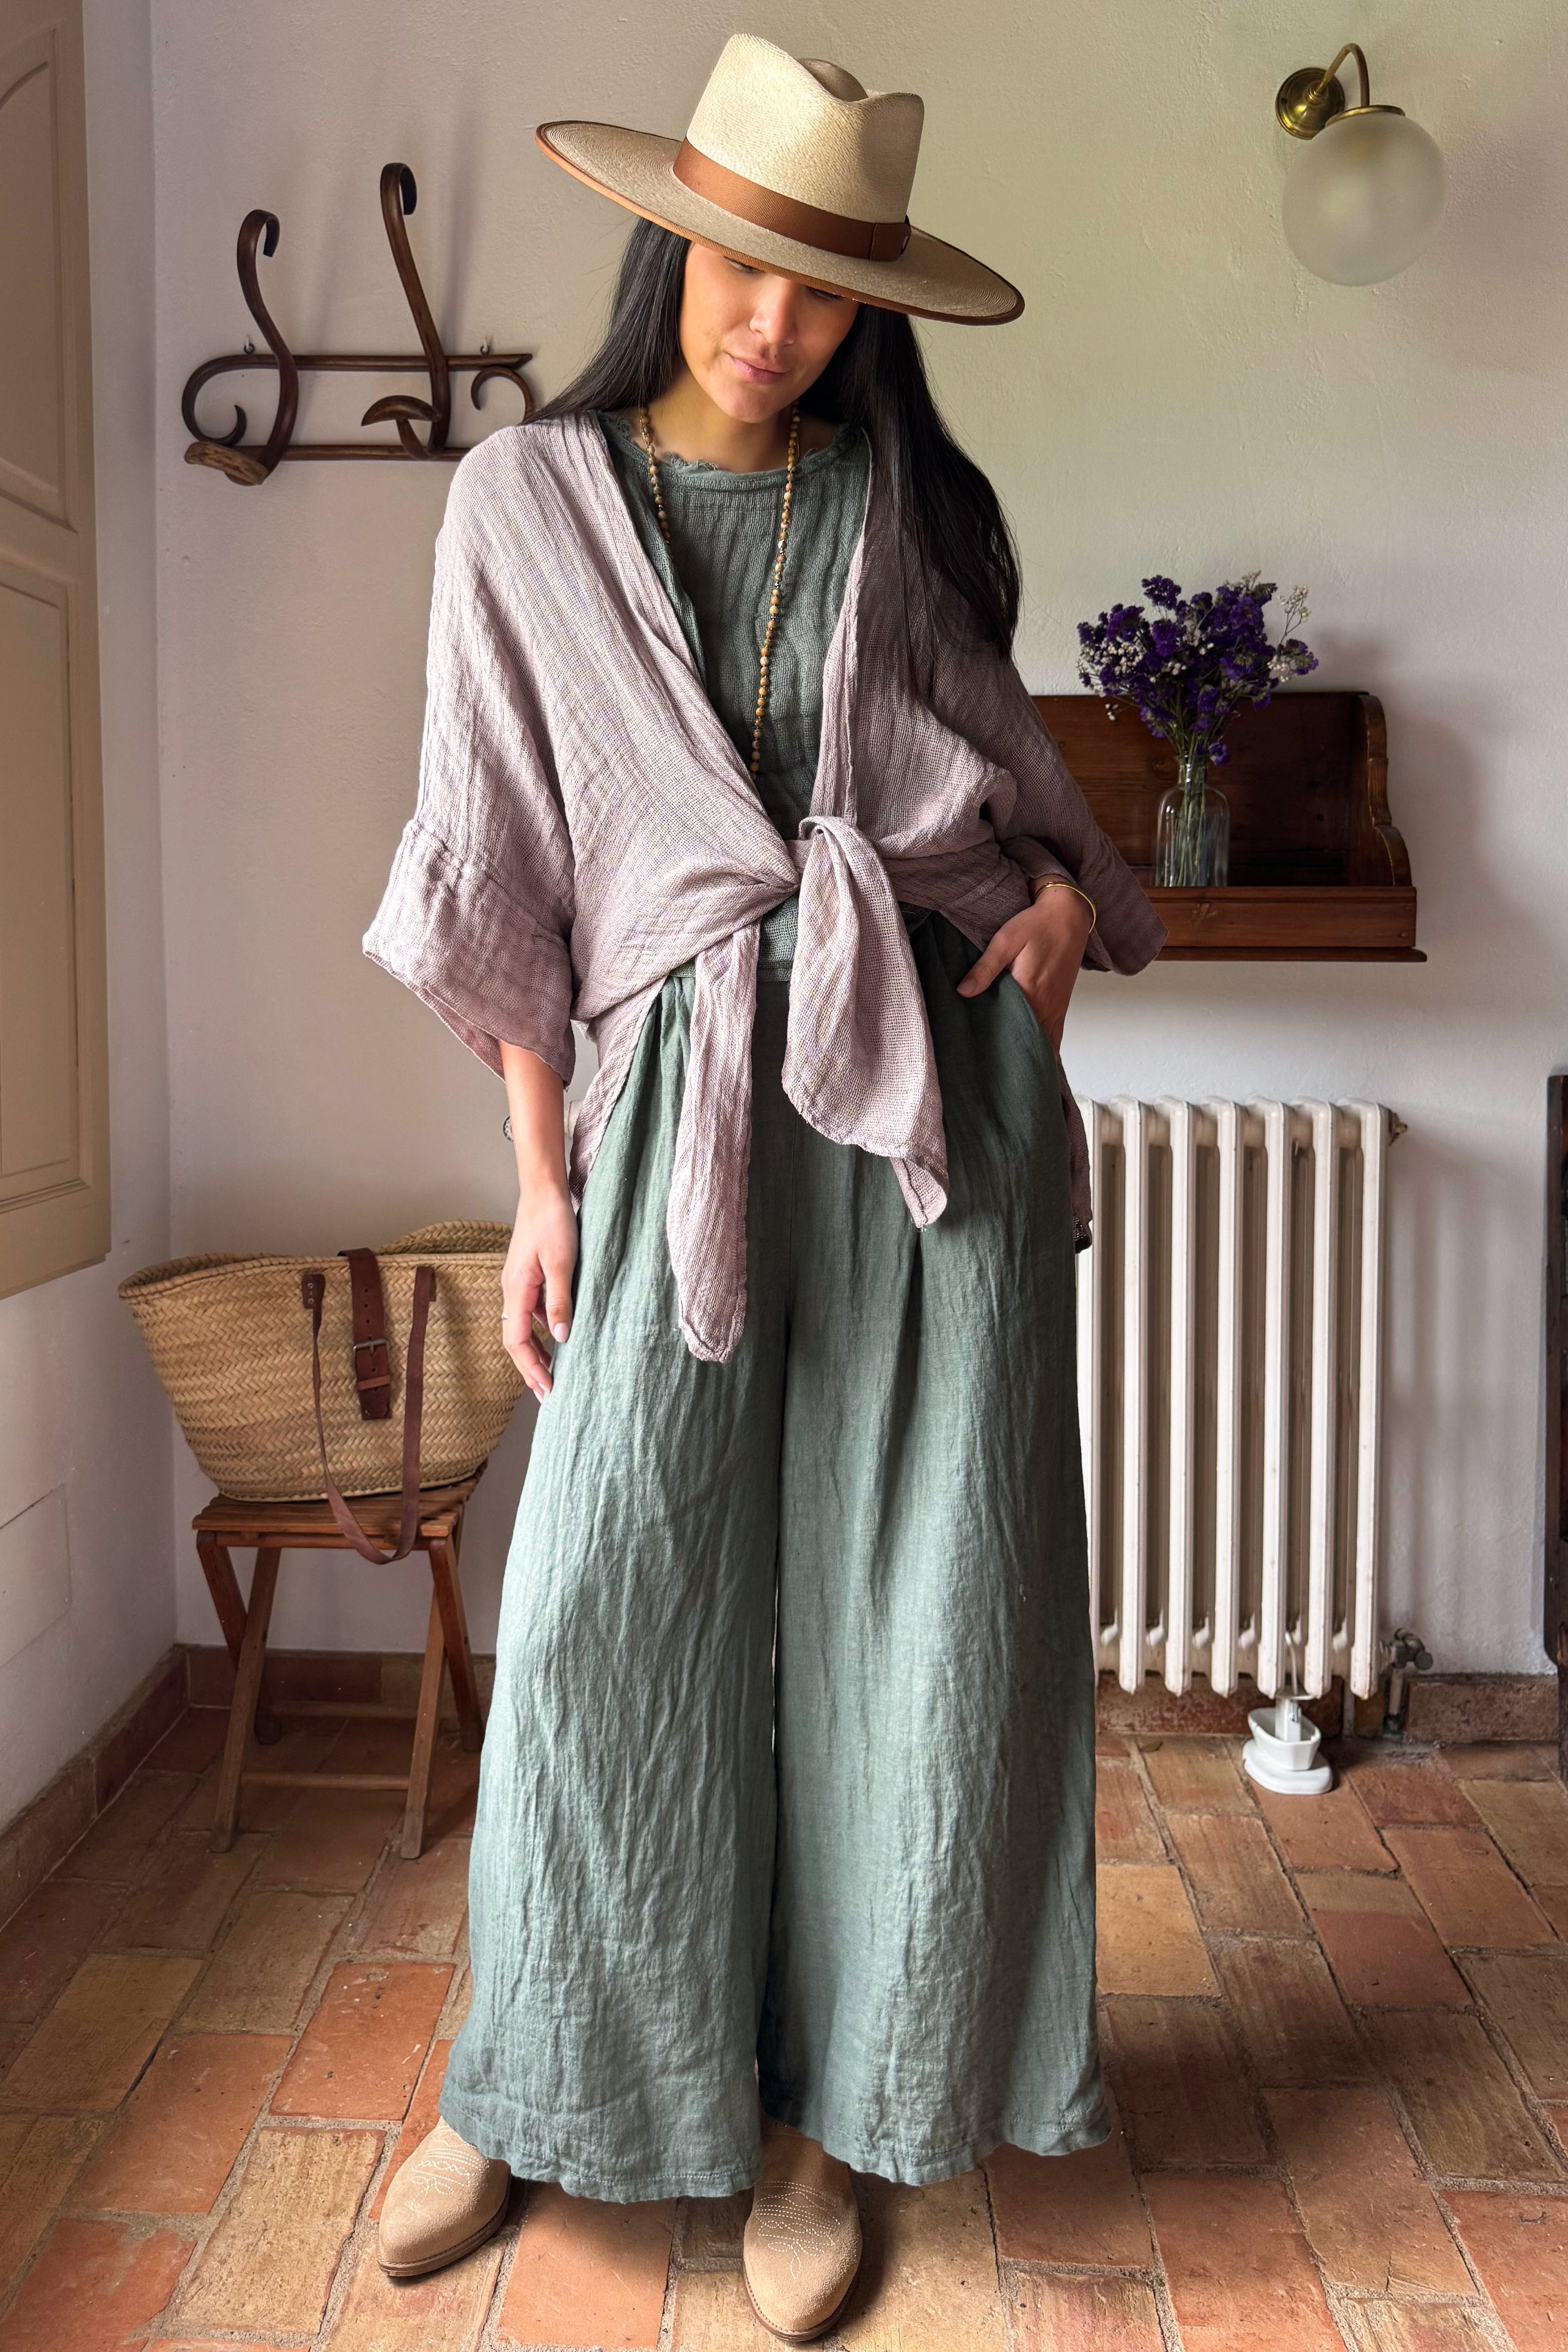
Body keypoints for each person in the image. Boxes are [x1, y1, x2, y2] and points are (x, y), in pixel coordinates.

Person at [363, 32, 1166, 2341]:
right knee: (600, 1611)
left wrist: (1049, 939)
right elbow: (503, 863)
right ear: (670, 240)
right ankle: (531, 2080)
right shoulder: (523, 503)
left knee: (913, 1624)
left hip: (922, 1123)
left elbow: (1013, 805)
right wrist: (535, 1185)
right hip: (665, 1121)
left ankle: (830, 2120)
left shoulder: (904, 510)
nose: (772, 320)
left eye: (824, 289)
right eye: (739, 264)